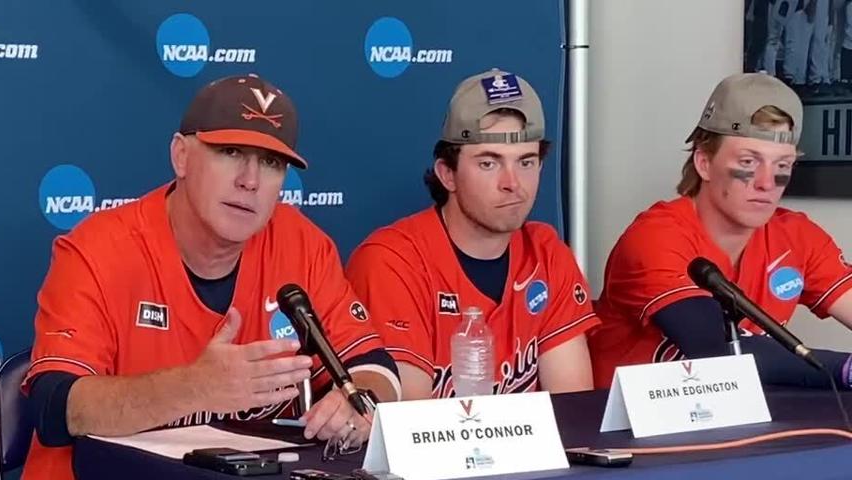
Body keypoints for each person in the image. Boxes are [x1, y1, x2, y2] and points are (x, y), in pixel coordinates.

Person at [8, 73, 400, 480]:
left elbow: (374, 365)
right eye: (231, 152)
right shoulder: (99, 249)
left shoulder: (303, 246)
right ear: (182, 154)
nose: (250, 179)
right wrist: (195, 387)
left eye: (271, 163)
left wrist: (359, 401)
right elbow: (57, 409)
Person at [345, 69, 599, 400]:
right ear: (447, 174)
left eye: (526, 162)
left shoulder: (547, 253)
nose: (512, 183)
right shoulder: (393, 260)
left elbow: (572, 411)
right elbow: (408, 427)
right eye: (489, 163)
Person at [590, 72, 852, 389]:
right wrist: (846, 370)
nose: (767, 183)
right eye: (748, 162)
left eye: (782, 166)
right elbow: (720, 350)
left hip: (735, 424)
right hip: (628, 431)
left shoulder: (796, 235)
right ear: (704, 163)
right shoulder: (655, 236)